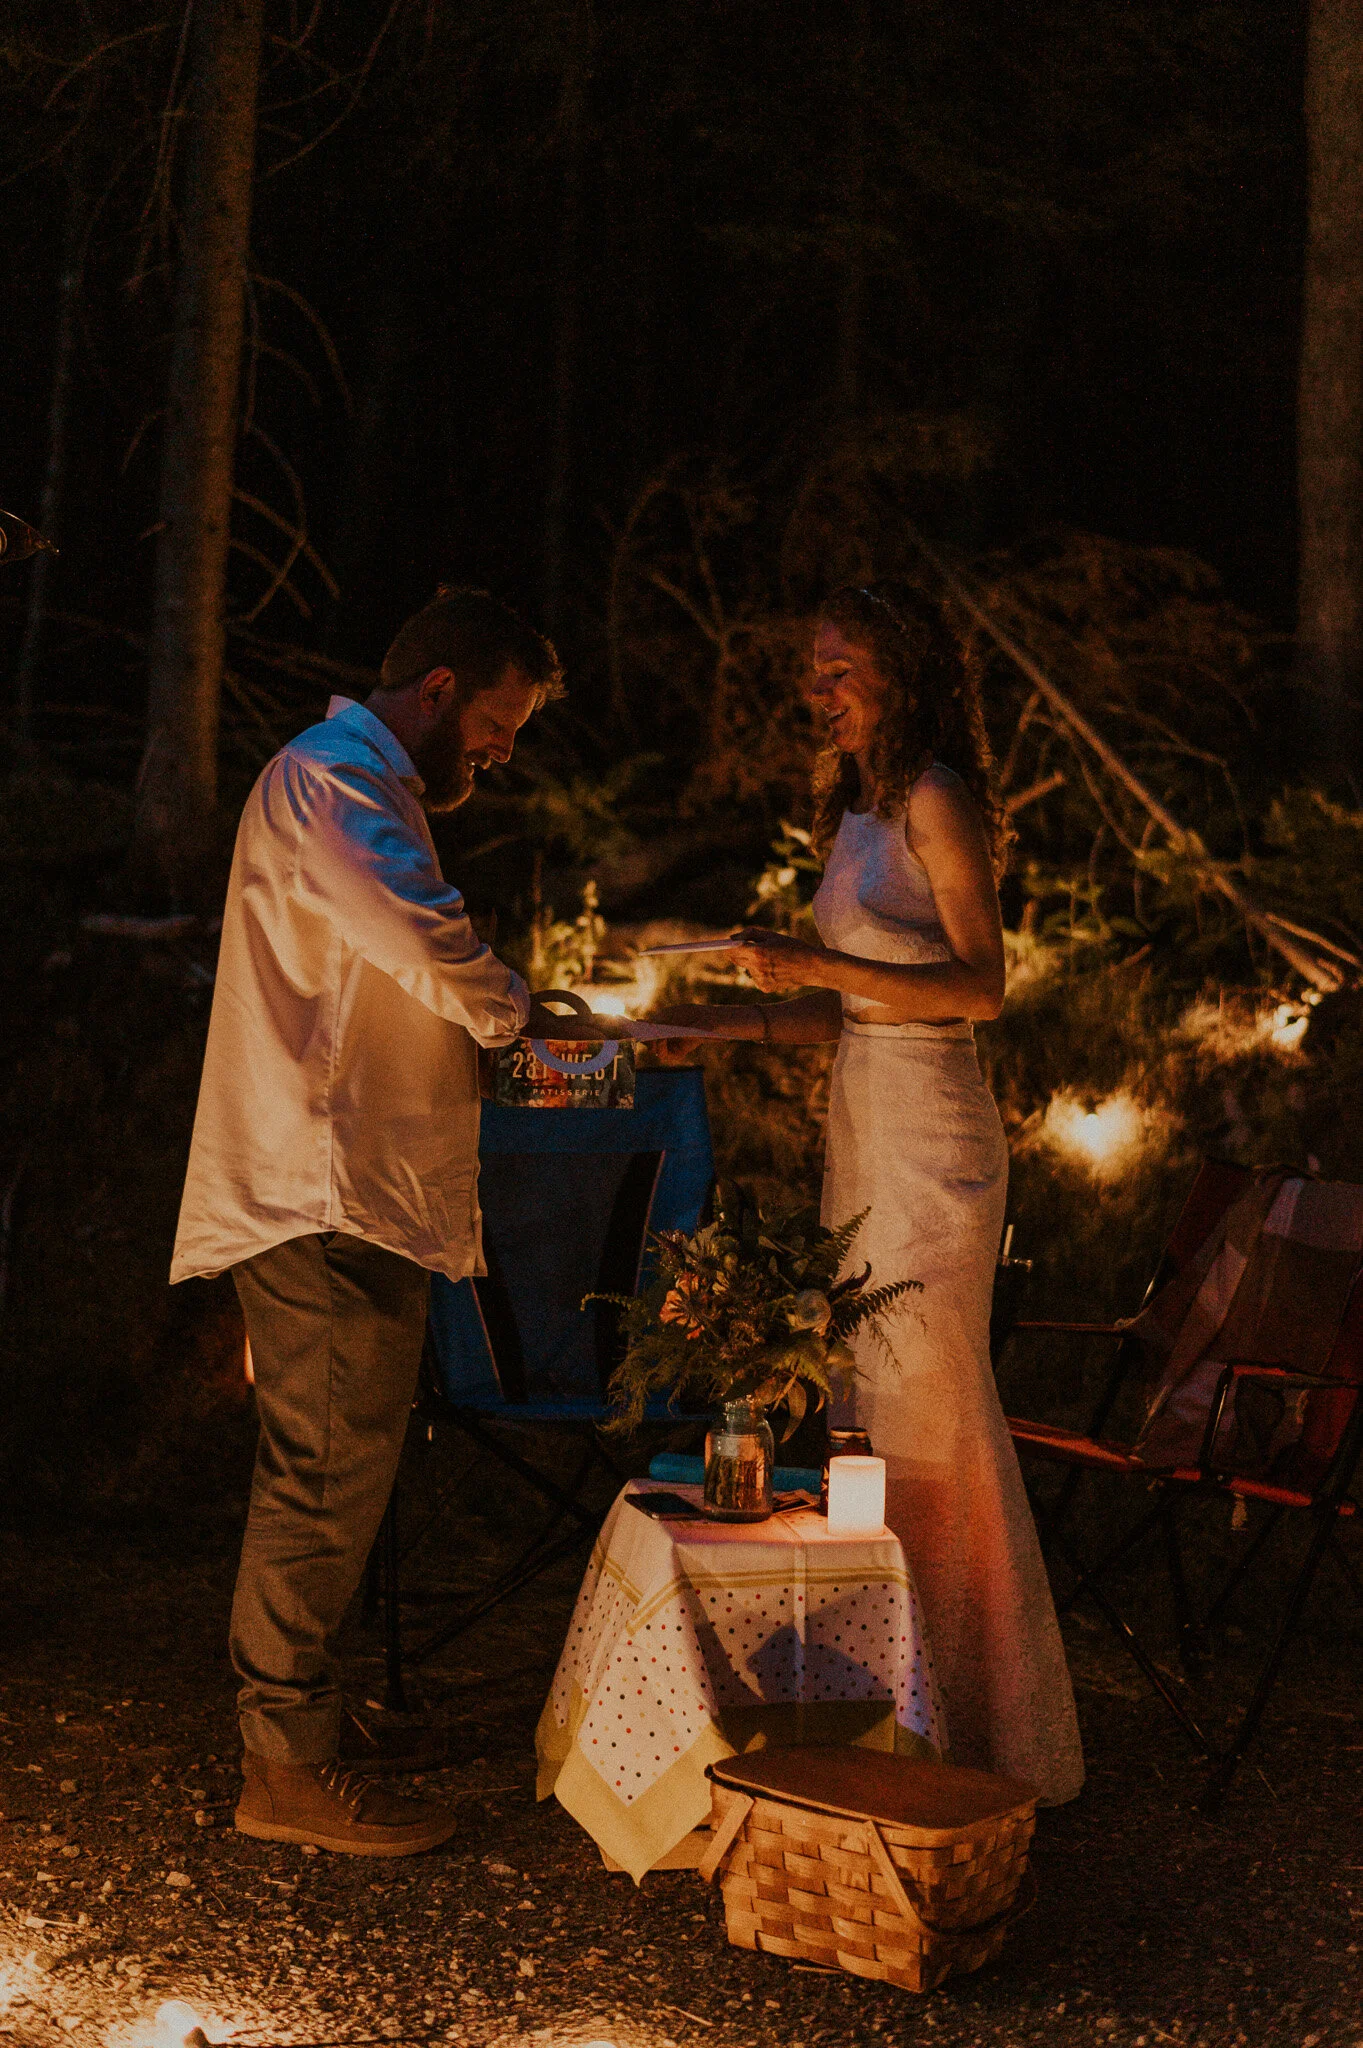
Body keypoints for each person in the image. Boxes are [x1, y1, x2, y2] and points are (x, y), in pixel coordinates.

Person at [653, 581, 1084, 1803]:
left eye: (837, 665)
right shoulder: (858, 812)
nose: (815, 687)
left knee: (933, 1410)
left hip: (935, 1136)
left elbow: (979, 988)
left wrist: (817, 961)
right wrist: (718, 1020)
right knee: (868, 1411)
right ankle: (895, 1706)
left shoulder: (936, 797)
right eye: (812, 667)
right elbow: (842, 1002)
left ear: (900, 670)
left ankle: (988, 1728)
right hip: (863, 1116)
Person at [171, 586, 568, 1854]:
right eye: (501, 721)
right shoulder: (335, 778)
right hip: (323, 1185)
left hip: (353, 1185)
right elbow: (410, 928)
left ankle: (314, 1721)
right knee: (324, 1473)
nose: (505, 751)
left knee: (342, 1467)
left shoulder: (359, 783)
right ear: (439, 688)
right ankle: (283, 1766)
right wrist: (513, 1010)